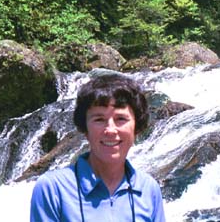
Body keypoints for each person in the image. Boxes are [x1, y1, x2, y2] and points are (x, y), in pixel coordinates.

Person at [30, 74, 166, 221]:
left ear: (137, 127)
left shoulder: (148, 189)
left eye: (121, 119)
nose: (110, 130)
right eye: (99, 119)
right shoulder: (53, 188)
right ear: (85, 129)